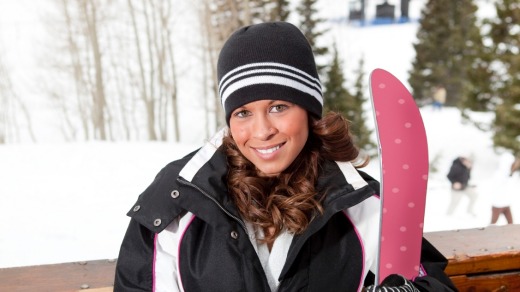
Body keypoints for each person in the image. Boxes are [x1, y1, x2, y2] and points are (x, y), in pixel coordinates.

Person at [114, 22, 456, 292]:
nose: (262, 131)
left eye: (279, 107)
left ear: (309, 110)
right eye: (243, 113)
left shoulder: (360, 203)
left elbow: (428, 277)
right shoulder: (177, 201)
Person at [490, 154, 518, 225]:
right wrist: (509, 177)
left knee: (511, 223)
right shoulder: (498, 174)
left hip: (506, 204)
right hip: (497, 205)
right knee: (493, 224)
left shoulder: (511, 173)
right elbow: (498, 187)